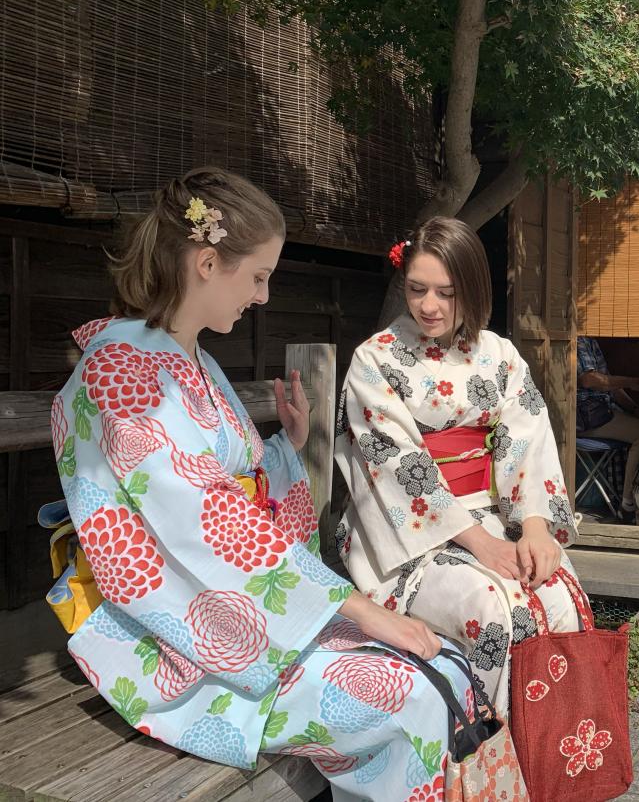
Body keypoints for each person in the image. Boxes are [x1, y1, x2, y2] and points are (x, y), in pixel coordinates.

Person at [50, 167, 468, 800]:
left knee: (449, 667)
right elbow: (204, 523)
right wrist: (355, 609)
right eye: (259, 276)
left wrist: (286, 451)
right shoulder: (120, 373)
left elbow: (223, 494)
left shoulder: (189, 357)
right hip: (176, 641)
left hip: (233, 611)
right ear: (208, 262)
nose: (265, 297)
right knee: (407, 696)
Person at [334, 217, 581, 716]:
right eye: (417, 289)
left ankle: (555, 750)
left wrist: (534, 527)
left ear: (472, 288)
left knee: (559, 594)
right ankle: (489, 752)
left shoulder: (500, 355)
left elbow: (528, 439)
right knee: (491, 607)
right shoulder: (375, 360)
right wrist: (482, 544)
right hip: (410, 532)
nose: (429, 305)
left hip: (497, 513)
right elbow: (397, 466)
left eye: (446, 292)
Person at [576, 336, 639, 520]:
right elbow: (589, 380)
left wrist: (635, 409)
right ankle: (627, 505)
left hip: (603, 413)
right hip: (587, 418)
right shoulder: (578, 340)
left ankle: (632, 500)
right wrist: (631, 382)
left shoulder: (591, 340)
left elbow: (610, 386)